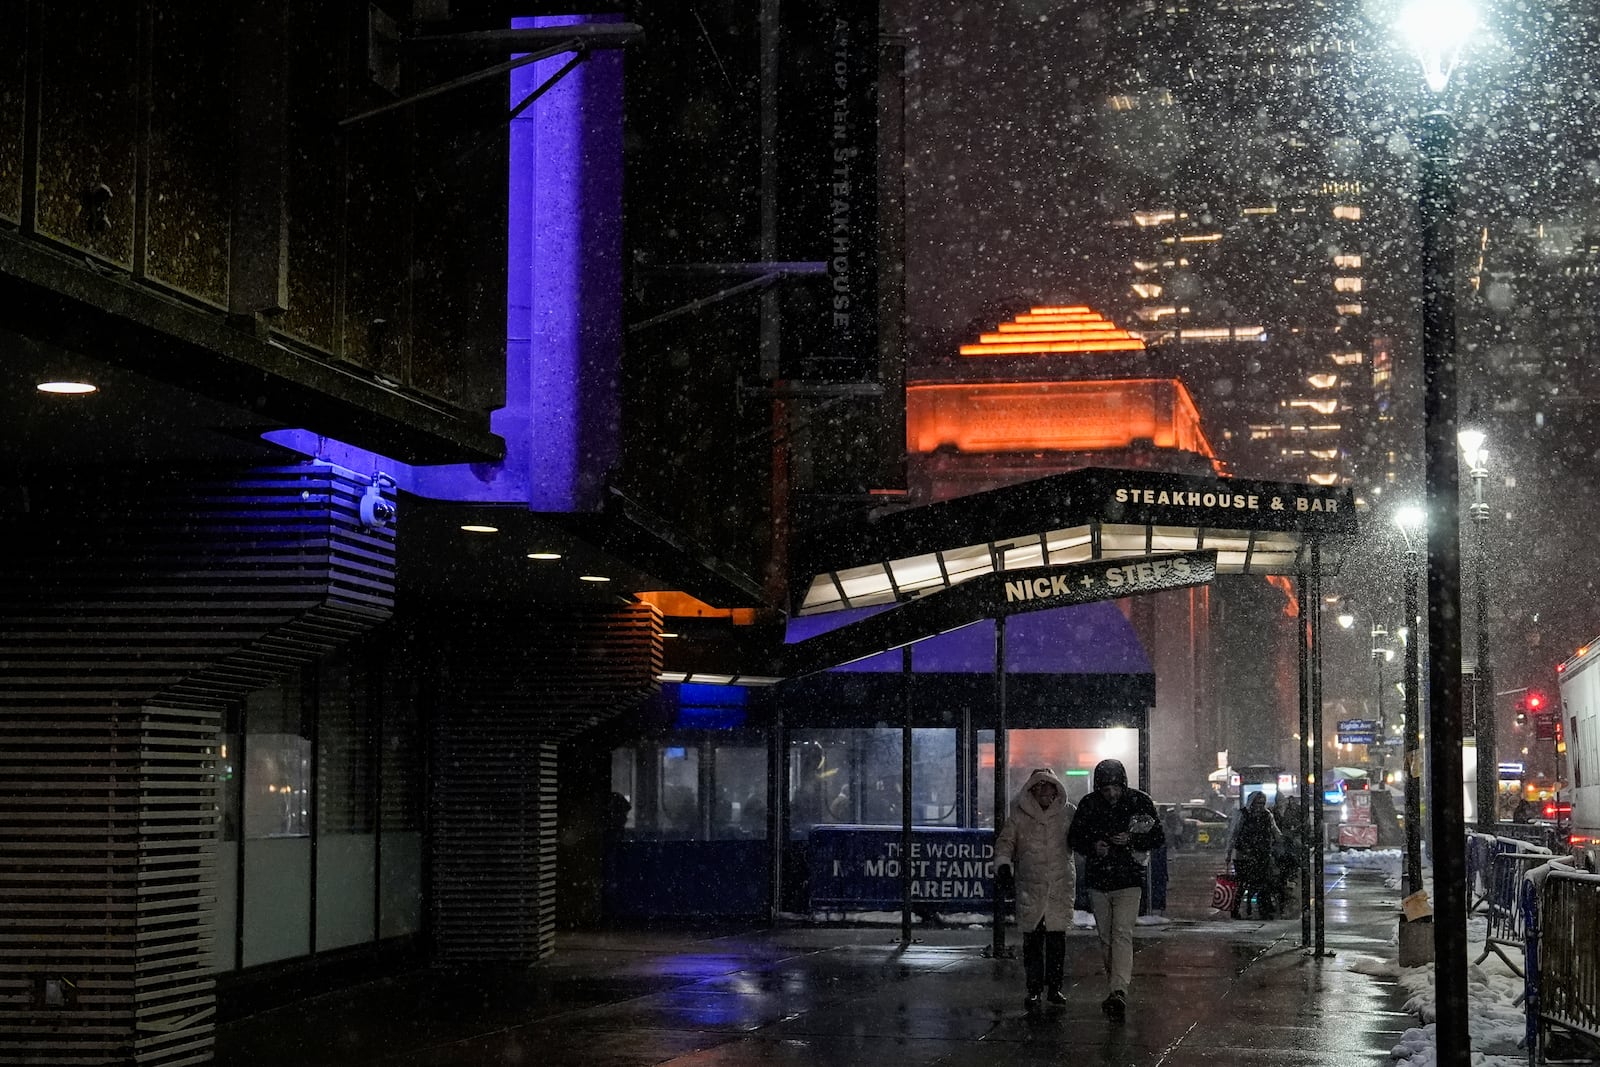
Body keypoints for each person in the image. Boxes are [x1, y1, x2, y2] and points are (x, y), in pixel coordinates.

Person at [1068, 758, 1164, 1021]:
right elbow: (1074, 837)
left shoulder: (1139, 801)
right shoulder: (1089, 805)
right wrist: (1093, 846)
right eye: (1106, 789)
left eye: (1115, 788)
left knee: (1121, 933)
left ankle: (1118, 989)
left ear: (1123, 785)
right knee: (1107, 937)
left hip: (1128, 880)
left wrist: (1132, 839)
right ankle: (1116, 987)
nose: (1111, 793)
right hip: (1100, 882)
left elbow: (1158, 837)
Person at [994, 767, 1077, 1012]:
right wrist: (1003, 865)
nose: (1044, 791)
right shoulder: (1019, 816)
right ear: (1031, 789)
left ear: (1055, 789)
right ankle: (1034, 989)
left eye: (1048, 786)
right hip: (1031, 885)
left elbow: (1081, 838)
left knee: (1056, 941)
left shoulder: (1068, 813)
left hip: (1058, 886)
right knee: (1032, 941)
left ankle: (1053, 987)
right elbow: (1006, 842)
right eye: (1039, 786)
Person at [1228, 791, 1282, 919]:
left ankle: (1262, 910)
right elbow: (1233, 833)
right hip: (1244, 855)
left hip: (1260, 854)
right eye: (1258, 803)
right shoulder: (1243, 814)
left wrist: (1282, 840)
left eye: (1262, 803)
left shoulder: (1267, 815)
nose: (1260, 806)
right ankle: (1236, 910)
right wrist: (1229, 853)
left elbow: (1275, 831)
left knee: (1262, 883)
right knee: (1242, 884)